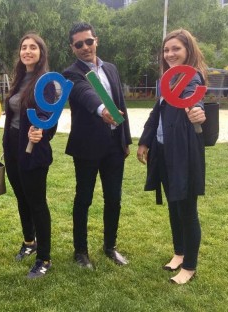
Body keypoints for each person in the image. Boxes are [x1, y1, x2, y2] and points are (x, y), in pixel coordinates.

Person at [137, 29, 207, 284]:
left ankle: (189, 266)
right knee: (174, 206)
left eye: (176, 48)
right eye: (166, 50)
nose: (170, 54)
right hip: (164, 152)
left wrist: (197, 111)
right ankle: (179, 253)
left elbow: (194, 98)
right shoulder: (169, 80)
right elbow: (157, 114)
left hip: (184, 153)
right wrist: (145, 142)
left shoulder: (191, 77)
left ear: (188, 50)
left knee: (187, 210)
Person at [62, 22, 132, 269]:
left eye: (88, 42)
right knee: (84, 199)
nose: (85, 47)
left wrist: (125, 139)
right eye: (79, 44)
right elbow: (84, 93)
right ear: (73, 48)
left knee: (114, 198)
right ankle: (80, 251)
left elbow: (120, 101)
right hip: (87, 147)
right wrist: (103, 110)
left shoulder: (111, 69)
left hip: (114, 145)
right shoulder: (71, 73)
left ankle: (110, 246)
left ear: (96, 41)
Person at [3, 33, 56, 278]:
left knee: (37, 202)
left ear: (41, 53)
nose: (27, 51)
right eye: (24, 47)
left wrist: (43, 132)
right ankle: (29, 242)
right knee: (22, 198)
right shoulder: (19, 79)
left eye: (33, 47)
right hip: (13, 147)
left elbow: (51, 121)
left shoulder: (45, 82)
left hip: (33, 150)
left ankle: (44, 258)